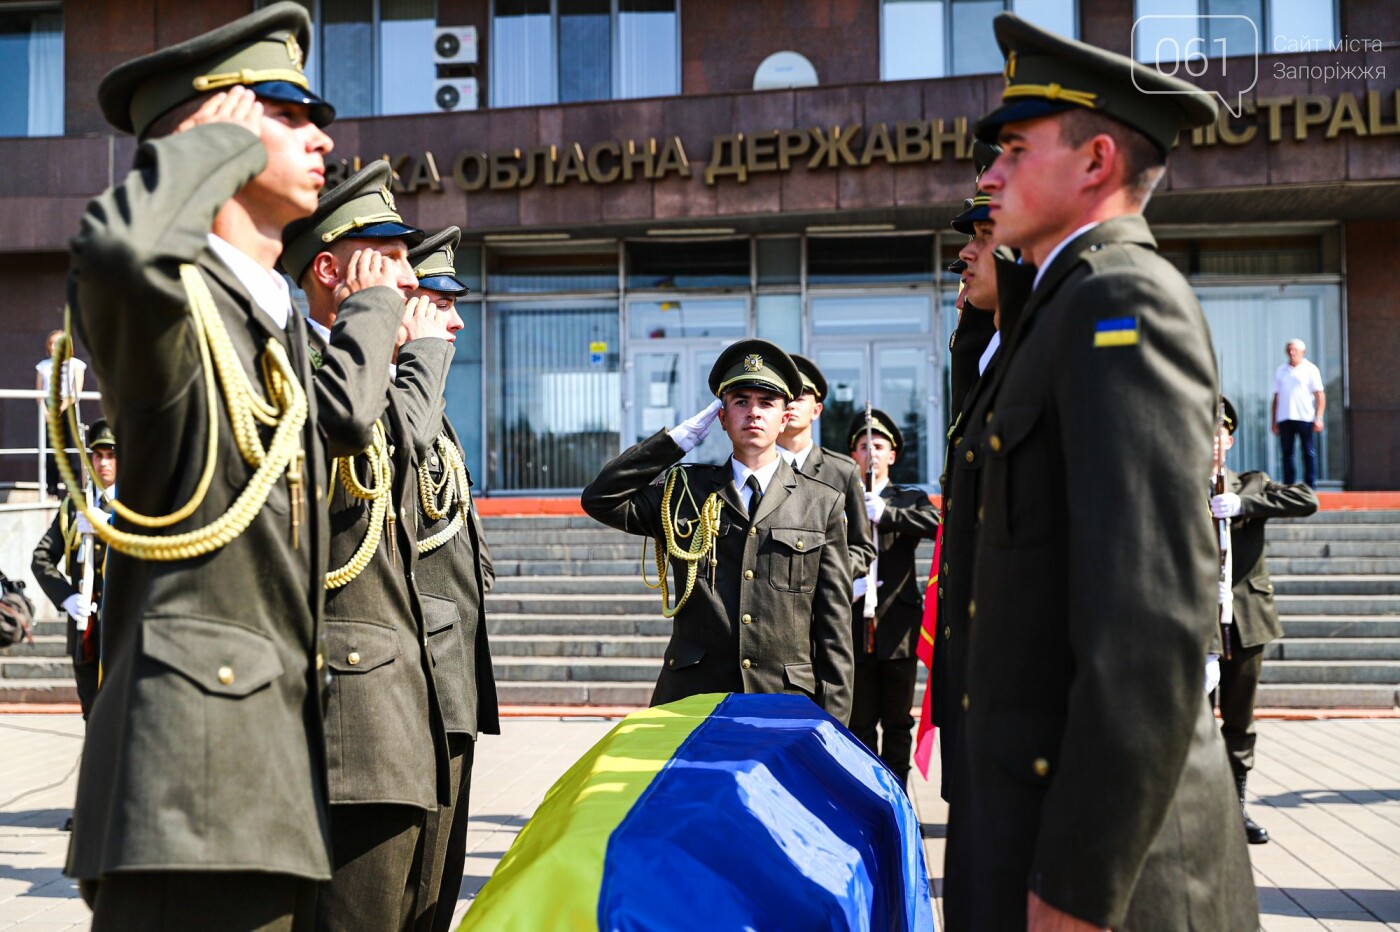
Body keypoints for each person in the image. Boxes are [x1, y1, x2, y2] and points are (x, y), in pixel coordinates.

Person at [63, 5, 405, 927]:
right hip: (189, 794)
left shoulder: (271, 328)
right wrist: (210, 145)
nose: (322, 136)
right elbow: (125, 249)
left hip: (265, 794)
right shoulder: (172, 310)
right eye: (288, 114)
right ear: (214, 127)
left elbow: (341, 423)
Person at [943, 14, 1257, 930]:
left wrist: (1077, 890)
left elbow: (1152, 629)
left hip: (1118, 879)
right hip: (1030, 833)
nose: (987, 174)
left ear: (1095, 161)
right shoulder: (1053, 311)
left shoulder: (1124, 301)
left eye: (1012, 148)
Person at [281, 161, 457, 931]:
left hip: (404, 707)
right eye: (387, 258)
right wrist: (395, 329)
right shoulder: (300, 367)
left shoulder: (364, 375)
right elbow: (358, 432)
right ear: (329, 268)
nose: (407, 281)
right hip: (349, 716)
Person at [582, 339, 854, 723]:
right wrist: (675, 441)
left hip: (783, 704)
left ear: (784, 415)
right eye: (741, 401)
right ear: (721, 417)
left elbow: (834, 629)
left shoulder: (820, 502)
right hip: (693, 700)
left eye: (767, 403)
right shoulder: (685, 492)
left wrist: (833, 726)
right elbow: (600, 498)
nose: (753, 413)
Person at [403, 226, 502, 932]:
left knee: (437, 890)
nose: (457, 320)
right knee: (402, 895)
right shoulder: (389, 410)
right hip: (408, 689)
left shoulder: (431, 414)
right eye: (440, 301)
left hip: (449, 681)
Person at [931, 146, 1036, 804]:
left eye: (983, 235)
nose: (966, 256)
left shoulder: (1049, 347)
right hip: (977, 666)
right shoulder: (986, 346)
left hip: (1021, 689)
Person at [1209, 396, 1318, 845]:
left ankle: (1235, 810)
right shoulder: (1176, 485)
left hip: (1246, 621)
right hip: (1199, 627)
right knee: (1192, 721)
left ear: (1229, 439)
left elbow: (1306, 499)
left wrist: (1244, 504)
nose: (1211, 441)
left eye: (1218, 433)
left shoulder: (1251, 482)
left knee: (1239, 721)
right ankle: (1197, 811)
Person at [846, 409, 940, 787]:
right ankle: (868, 796)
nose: (871, 453)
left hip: (897, 624)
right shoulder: (841, 496)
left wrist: (890, 514)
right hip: (854, 622)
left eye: (878, 446)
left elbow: (935, 526)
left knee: (898, 721)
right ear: (853, 455)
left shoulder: (908, 496)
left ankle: (898, 794)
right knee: (860, 721)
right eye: (863, 446)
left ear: (892, 456)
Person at [31, 418, 117, 720]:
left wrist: (112, 526)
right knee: (93, 716)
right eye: (98, 455)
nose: (104, 463)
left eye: (111, 455)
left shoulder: (135, 508)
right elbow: (41, 557)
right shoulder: (73, 507)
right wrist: (67, 598)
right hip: (86, 629)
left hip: (121, 626)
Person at [778, 354, 875, 578]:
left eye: (800, 397)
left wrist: (827, 577)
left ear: (817, 410)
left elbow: (862, 547)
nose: (791, 404)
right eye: (784, 397)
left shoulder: (842, 471)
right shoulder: (755, 468)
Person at [35, 329, 88, 496]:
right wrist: (45, 412)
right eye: (51, 343)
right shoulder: (43, 366)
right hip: (49, 410)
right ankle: (51, 489)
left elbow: (76, 391)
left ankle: (74, 489)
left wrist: (62, 407)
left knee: (70, 448)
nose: (54, 347)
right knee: (50, 450)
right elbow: (38, 393)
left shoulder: (76, 364)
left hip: (68, 408)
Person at [1272, 338, 1326, 488]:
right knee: (1287, 453)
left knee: (1308, 452)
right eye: (1289, 349)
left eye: (1295, 349)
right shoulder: (1280, 370)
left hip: (1305, 417)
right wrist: (1274, 421)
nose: (1291, 352)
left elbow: (1320, 395)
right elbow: (1276, 397)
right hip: (1284, 417)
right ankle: (1288, 486)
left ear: (1303, 351)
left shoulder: (1311, 369)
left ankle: (1310, 486)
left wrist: (1319, 417)